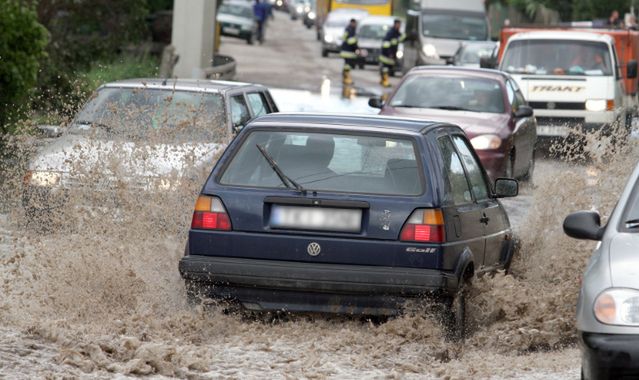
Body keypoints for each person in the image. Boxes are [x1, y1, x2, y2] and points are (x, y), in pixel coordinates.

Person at [379, 19, 405, 88]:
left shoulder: (397, 33)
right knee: (386, 68)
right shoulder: (391, 33)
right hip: (386, 54)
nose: (399, 26)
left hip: (391, 54)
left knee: (388, 68)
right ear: (395, 24)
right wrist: (389, 53)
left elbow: (400, 39)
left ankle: (382, 80)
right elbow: (386, 44)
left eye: (400, 25)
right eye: (398, 24)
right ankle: (385, 81)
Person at [339, 18, 359, 86]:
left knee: (346, 65)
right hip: (348, 51)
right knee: (348, 65)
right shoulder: (351, 30)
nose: (355, 25)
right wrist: (356, 48)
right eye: (355, 23)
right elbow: (351, 41)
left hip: (345, 50)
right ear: (352, 23)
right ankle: (347, 79)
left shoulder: (348, 29)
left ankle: (345, 78)